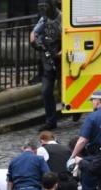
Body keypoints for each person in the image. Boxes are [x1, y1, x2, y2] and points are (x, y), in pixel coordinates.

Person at [30, 0, 62, 130]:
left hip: (62, 60)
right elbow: (34, 33)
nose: (43, 10)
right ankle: (51, 122)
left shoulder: (63, 18)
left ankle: (76, 110)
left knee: (63, 91)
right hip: (48, 59)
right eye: (41, 7)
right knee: (46, 91)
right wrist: (33, 41)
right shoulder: (44, 19)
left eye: (45, 7)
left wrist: (62, 52)